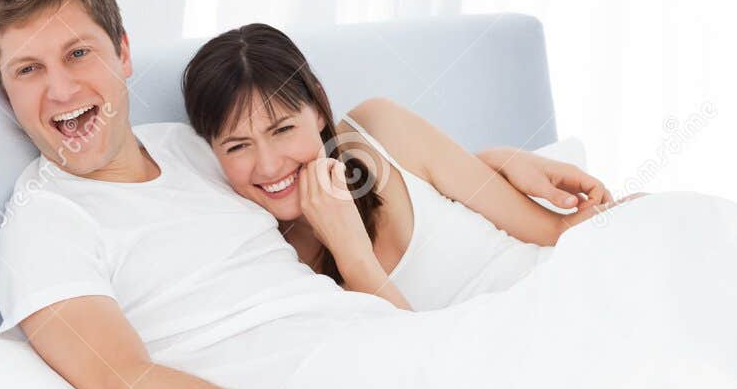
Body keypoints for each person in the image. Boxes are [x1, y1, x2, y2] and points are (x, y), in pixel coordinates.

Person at [0, 0, 711, 389]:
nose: (60, 88)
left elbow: (331, 160)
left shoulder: (190, 151)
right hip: (317, 384)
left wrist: (496, 160)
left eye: (78, 54)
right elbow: (120, 382)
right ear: (5, 91)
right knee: (598, 376)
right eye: (27, 70)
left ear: (123, 54)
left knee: (670, 246)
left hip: (382, 338)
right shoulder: (47, 221)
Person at [181, 22, 616, 312]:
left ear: (316, 110)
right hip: (494, 361)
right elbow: (411, 363)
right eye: (238, 146)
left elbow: (553, 232)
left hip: (566, 292)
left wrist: (490, 162)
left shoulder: (376, 129)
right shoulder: (261, 259)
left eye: (282, 129)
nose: (270, 164)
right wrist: (353, 255)